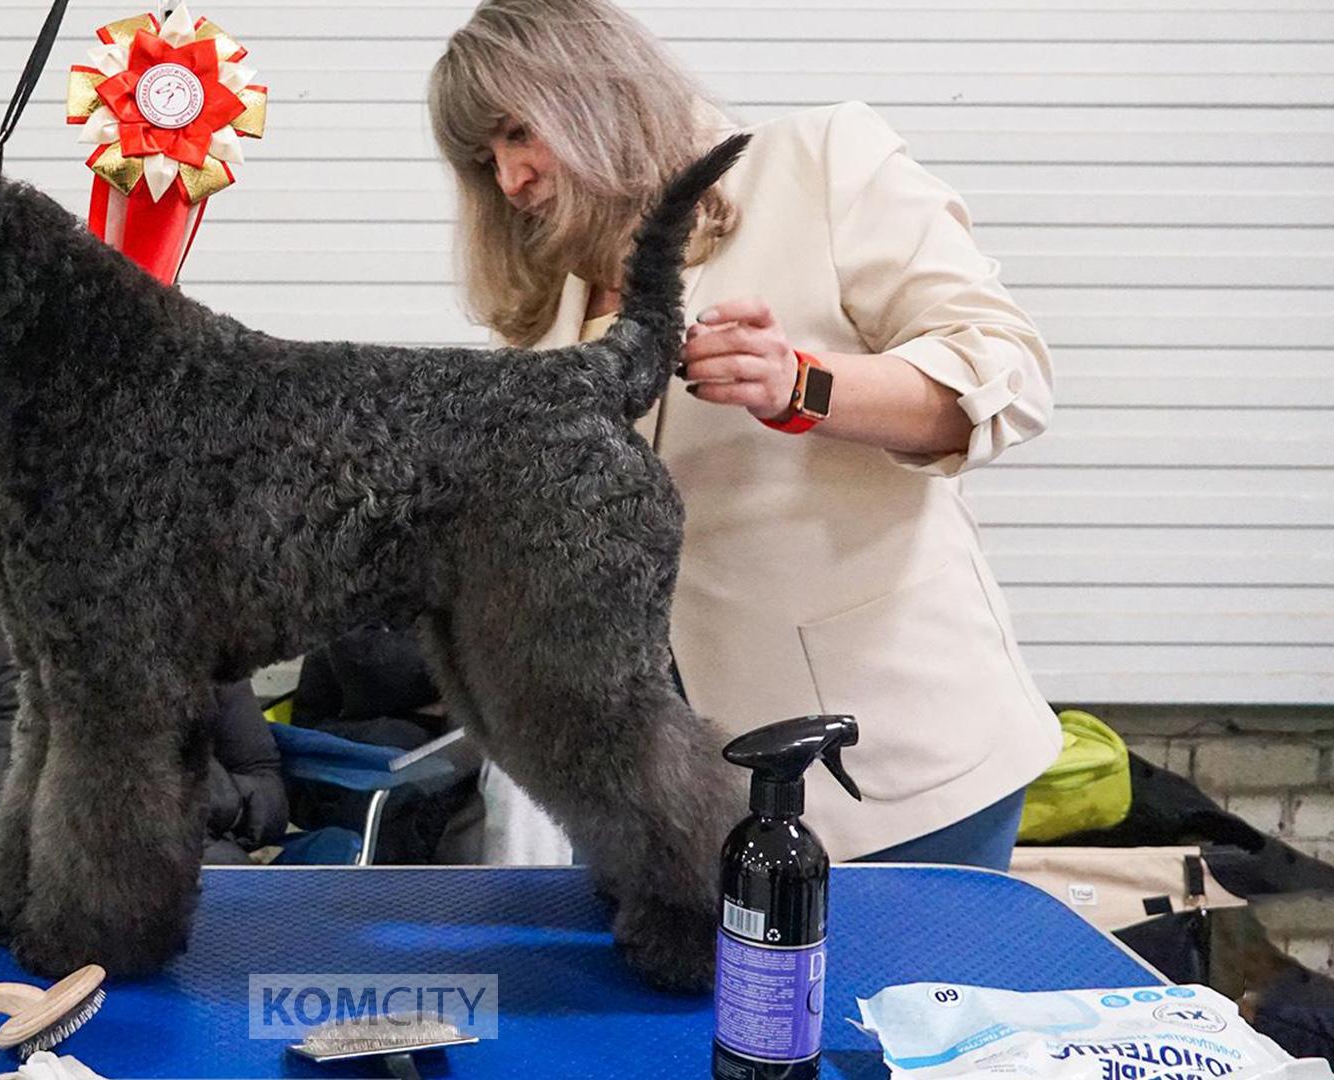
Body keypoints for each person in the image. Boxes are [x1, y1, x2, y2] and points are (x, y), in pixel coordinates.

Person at [425, 0, 1061, 871]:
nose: (510, 180)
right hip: (657, 796)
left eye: (516, 132)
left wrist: (805, 383)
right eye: (483, 159)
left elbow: (1007, 377)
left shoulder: (823, 161)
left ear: (596, 90)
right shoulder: (546, 312)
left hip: (885, 767)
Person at [0, 528, 289, 879]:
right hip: (23, 852)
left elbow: (265, 785)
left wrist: (203, 790)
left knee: (247, 932)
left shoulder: (195, 631)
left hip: (187, 852)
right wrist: (55, 774)